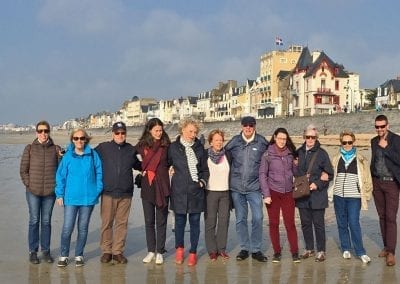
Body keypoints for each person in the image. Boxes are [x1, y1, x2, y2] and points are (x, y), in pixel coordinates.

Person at [55, 128, 103, 267]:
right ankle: (64, 255)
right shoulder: (68, 156)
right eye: (76, 138)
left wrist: (97, 190)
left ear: (86, 140)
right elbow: (60, 176)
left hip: (88, 199)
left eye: (82, 138)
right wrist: (59, 194)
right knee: (67, 228)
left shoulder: (93, 155)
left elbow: (99, 172)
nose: (79, 141)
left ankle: (79, 255)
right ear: (72, 140)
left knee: (83, 228)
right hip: (70, 199)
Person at [95, 121, 141, 264]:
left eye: (123, 133)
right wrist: (65, 151)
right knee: (107, 223)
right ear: (113, 134)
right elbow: (87, 156)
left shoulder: (131, 150)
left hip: (126, 193)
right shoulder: (103, 148)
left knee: (122, 223)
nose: (120, 135)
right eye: (117, 133)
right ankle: (107, 251)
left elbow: (140, 165)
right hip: (108, 192)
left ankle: (117, 252)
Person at [225, 116, 269, 262]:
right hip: (236, 187)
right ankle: (244, 248)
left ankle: (256, 249)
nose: (248, 128)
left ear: (255, 126)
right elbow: (221, 154)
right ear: (242, 126)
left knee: (258, 217)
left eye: (251, 125)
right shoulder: (235, 142)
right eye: (245, 125)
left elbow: (272, 157)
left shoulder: (262, 142)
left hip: (255, 187)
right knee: (240, 219)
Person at [168, 118, 209, 266]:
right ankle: (179, 249)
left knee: (195, 223)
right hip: (178, 191)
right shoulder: (173, 148)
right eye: (190, 131)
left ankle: (193, 252)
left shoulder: (200, 148)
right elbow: (165, 163)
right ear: (183, 130)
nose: (193, 134)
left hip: (195, 192)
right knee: (179, 223)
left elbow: (205, 170)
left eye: (195, 132)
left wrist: (202, 182)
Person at [20, 120, 61, 264]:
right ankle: (33, 251)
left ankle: (46, 251)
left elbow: (62, 170)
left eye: (46, 131)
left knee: (46, 221)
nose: (43, 133)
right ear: (36, 132)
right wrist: (29, 184)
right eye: (40, 131)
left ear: (49, 132)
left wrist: (62, 155)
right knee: (34, 220)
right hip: (33, 192)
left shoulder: (56, 149)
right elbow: (23, 170)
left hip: (50, 192)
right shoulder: (29, 148)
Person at [330, 130, 372, 264]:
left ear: (353, 142)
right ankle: (346, 248)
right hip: (338, 196)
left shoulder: (360, 159)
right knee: (342, 223)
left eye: (349, 142)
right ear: (341, 143)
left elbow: (367, 179)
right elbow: (331, 175)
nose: (347, 144)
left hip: (354, 197)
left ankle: (360, 251)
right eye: (344, 142)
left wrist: (367, 194)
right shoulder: (336, 158)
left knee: (353, 223)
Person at [259, 127, 300, 263]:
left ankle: (294, 252)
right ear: (275, 138)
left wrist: (298, 166)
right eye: (280, 138)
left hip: (288, 193)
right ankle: (277, 252)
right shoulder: (267, 154)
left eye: (284, 139)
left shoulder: (290, 154)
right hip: (273, 193)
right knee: (274, 223)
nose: (282, 141)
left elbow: (295, 172)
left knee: (290, 224)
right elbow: (262, 175)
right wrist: (266, 194)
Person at [135, 118, 171, 265]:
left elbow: (174, 160)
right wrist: (141, 169)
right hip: (147, 186)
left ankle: (160, 251)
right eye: (156, 130)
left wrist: (172, 168)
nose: (159, 133)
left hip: (163, 186)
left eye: (161, 130)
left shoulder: (167, 146)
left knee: (161, 220)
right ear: (149, 130)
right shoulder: (141, 145)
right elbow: (132, 159)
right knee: (149, 221)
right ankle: (151, 250)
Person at [295, 124, 333, 262]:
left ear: (316, 138)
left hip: (318, 195)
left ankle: (321, 250)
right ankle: (309, 248)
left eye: (313, 137)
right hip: (302, 194)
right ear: (304, 137)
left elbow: (329, 174)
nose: (310, 139)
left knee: (318, 223)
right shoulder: (298, 152)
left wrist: (317, 183)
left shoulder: (322, 153)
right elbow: (294, 170)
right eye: (308, 137)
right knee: (305, 223)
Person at [370, 114, 400, 266]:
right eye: (377, 127)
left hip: (392, 183)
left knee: (390, 217)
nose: (380, 129)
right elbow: (373, 160)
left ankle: (392, 253)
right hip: (377, 183)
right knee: (382, 216)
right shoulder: (373, 141)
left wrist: (386, 147)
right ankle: (386, 247)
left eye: (382, 126)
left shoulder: (396, 140)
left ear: (388, 125)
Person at [204, 129, 231, 261]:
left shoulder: (228, 155)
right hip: (210, 193)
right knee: (210, 222)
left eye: (221, 140)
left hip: (225, 193)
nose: (219, 142)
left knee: (224, 222)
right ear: (210, 142)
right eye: (216, 140)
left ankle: (221, 249)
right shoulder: (204, 155)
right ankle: (212, 250)